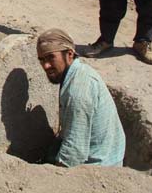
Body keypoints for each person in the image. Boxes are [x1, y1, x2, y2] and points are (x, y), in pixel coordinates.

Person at [36, 28, 125, 167]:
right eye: (41, 59)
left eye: (51, 57)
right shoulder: (77, 72)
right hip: (107, 152)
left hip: (100, 166)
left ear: (69, 54)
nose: (46, 65)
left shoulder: (77, 91)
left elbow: (74, 153)